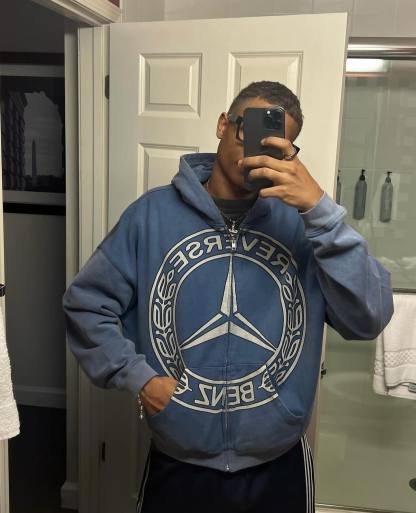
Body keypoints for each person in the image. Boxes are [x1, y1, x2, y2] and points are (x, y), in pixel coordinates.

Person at [63, 81, 393, 513]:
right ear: (223, 125)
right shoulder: (150, 215)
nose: (257, 151)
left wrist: (321, 213)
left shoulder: (306, 226)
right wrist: (139, 378)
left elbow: (369, 318)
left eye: (277, 145)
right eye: (247, 130)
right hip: (179, 461)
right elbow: (87, 306)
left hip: (278, 462)